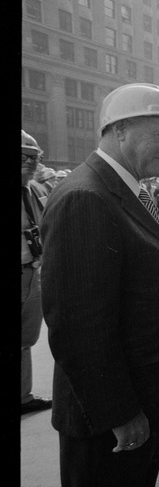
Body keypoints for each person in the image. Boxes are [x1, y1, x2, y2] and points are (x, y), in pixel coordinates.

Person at [40, 82, 159, 487]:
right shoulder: (86, 198)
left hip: (138, 402)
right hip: (110, 420)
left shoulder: (125, 188)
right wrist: (120, 413)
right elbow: (78, 327)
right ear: (120, 129)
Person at [21, 130, 52, 416]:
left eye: (34, 157)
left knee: (26, 338)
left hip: (32, 270)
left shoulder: (38, 190)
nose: (30, 162)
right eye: (24, 156)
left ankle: (23, 395)